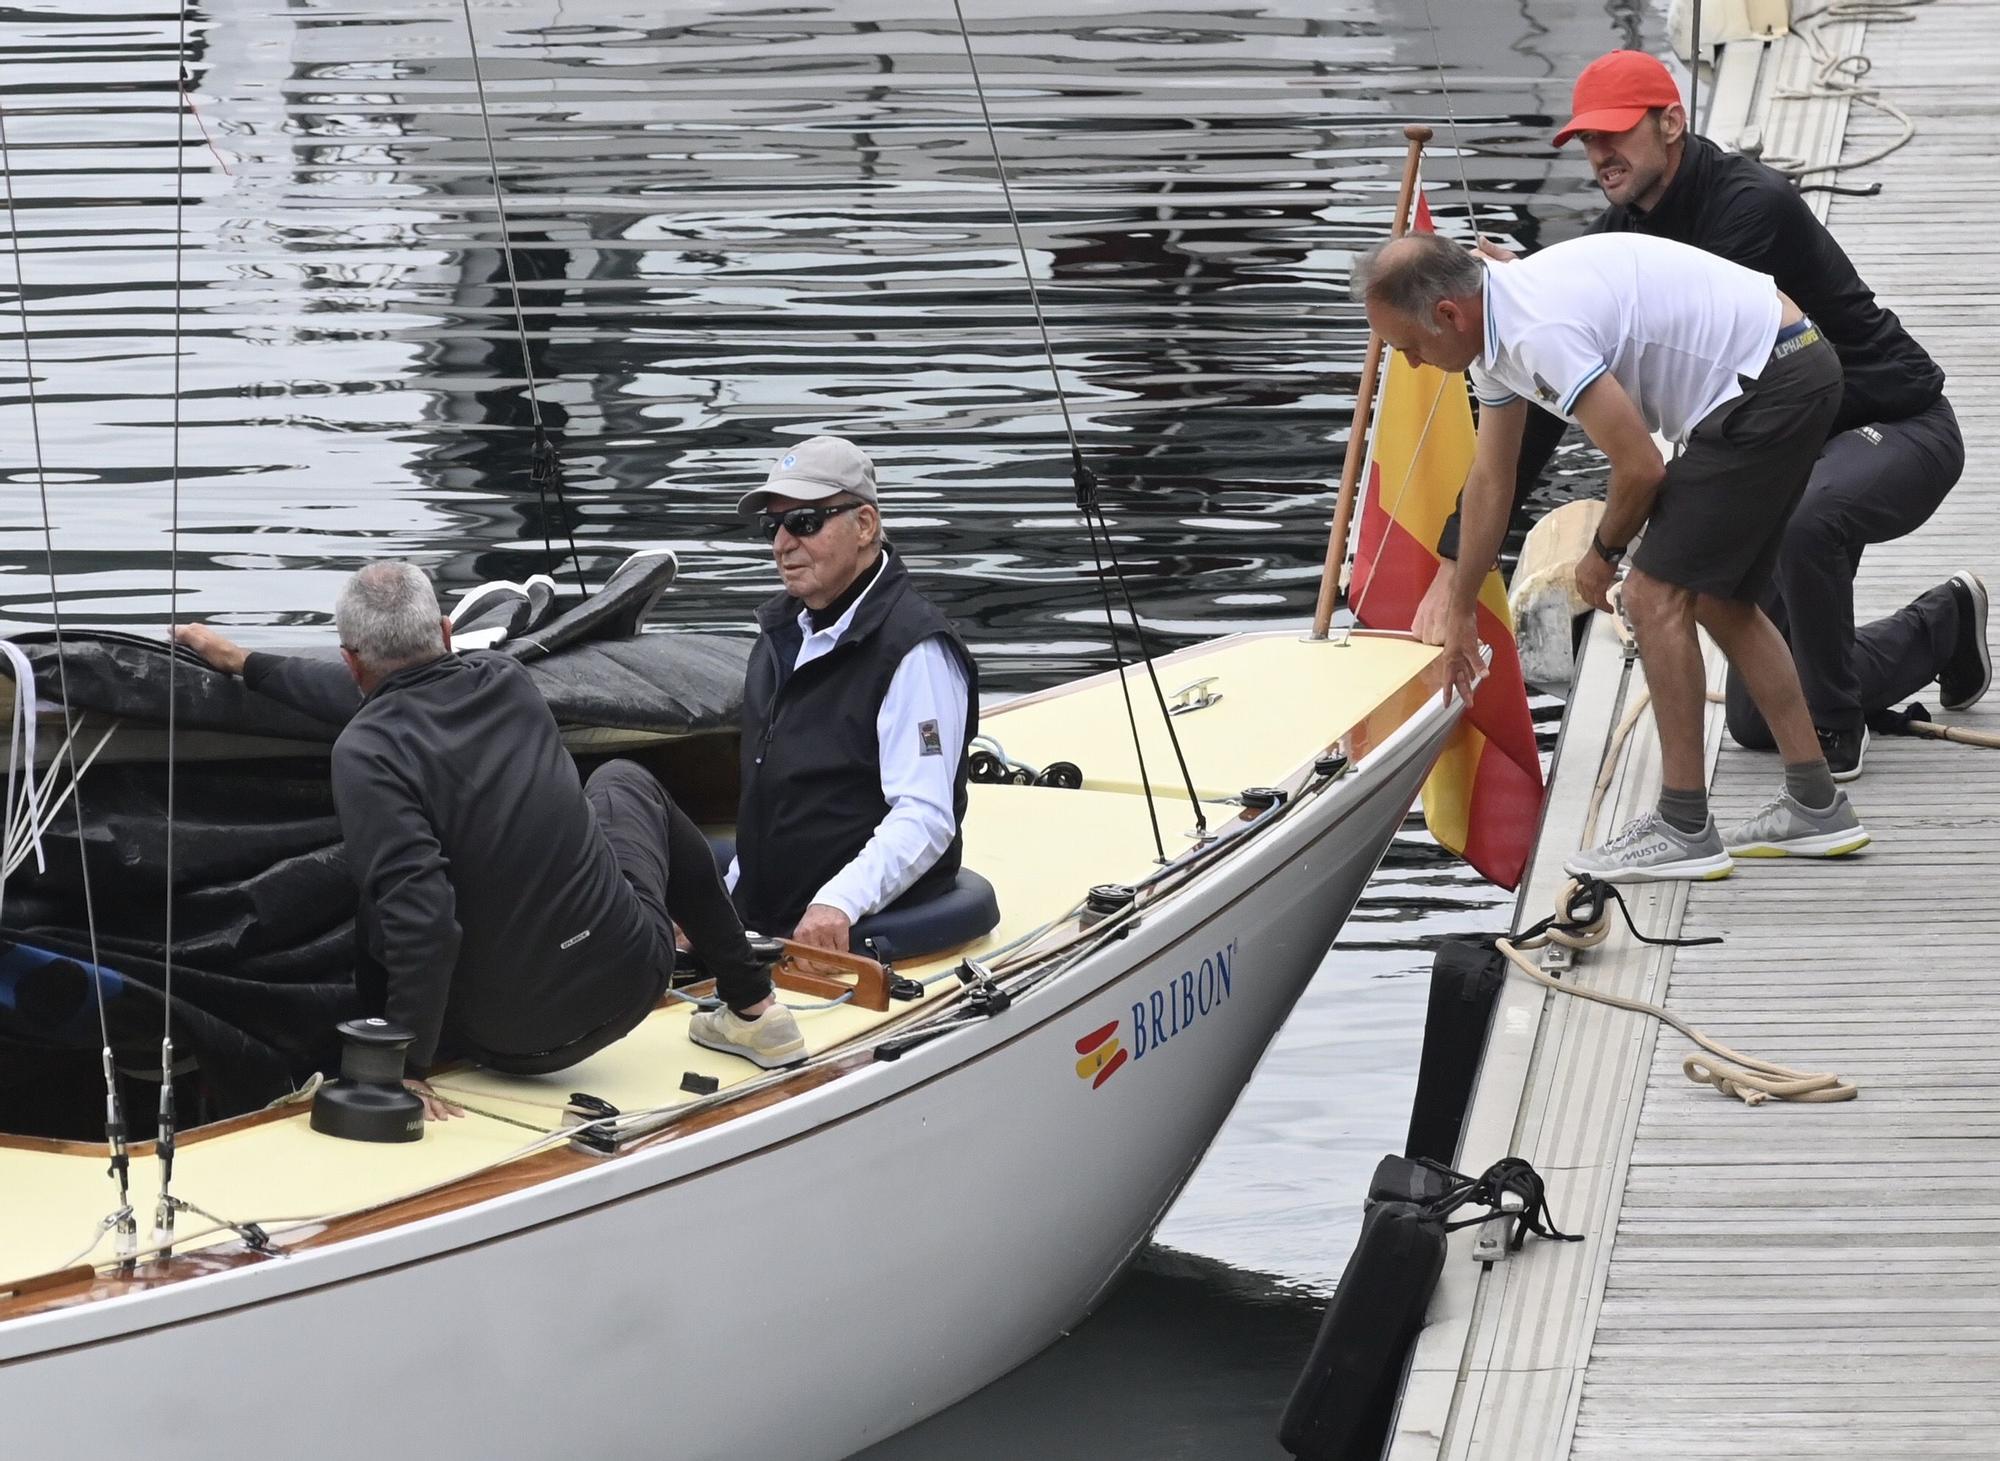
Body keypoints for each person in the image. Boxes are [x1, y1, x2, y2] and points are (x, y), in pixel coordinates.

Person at [1416, 49, 1988, 780]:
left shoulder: (1753, 205)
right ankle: (1940, 627)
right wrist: (1458, 551)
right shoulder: (1615, 230)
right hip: (1781, 448)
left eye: (1615, 135)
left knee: (1810, 522)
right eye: (1587, 141)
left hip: (1895, 428)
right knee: (1753, 722)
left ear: (1673, 124)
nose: (1599, 155)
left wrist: (1622, 547)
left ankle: (1834, 736)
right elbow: (1544, 401)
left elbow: (1734, 375)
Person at [175, 562, 806, 1099]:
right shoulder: (508, 682)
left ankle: (394, 1052)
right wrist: (248, 661)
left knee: (382, 895)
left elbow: (422, 919)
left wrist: (405, 1066)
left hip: (511, 1043)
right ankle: (752, 1002)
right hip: (636, 977)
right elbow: (392, 686)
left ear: (349, 660)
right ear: (448, 634)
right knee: (626, 780)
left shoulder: (365, 751)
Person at [1355, 229, 1868, 882]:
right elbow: (1492, 479)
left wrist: (1601, 556)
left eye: (1411, 347)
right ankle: (1817, 804)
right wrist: (1458, 612)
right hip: (1787, 363)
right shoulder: (1491, 329)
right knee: (1717, 596)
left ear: (1448, 314)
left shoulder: (1536, 329)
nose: (1415, 364)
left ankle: (1685, 826)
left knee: (1651, 596)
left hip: (1767, 381)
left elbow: (1641, 467)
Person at [726, 435, 978, 953]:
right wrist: (721, 901)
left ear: (864, 526)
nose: (782, 544)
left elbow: (926, 815)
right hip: (766, 927)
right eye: (774, 526)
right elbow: (772, 804)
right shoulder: (781, 635)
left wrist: (839, 902)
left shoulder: (915, 650)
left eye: (804, 523)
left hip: (851, 937)